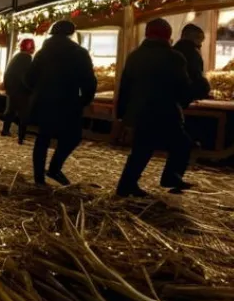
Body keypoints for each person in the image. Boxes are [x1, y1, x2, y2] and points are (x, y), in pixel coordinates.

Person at [116, 18, 195, 197]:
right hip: (165, 111)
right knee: (182, 145)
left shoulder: (135, 56)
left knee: (142, 149)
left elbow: (125, 86)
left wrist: (123, 114)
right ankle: (171, 177)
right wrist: (192, 95)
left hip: (139, 111)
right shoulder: (174, 57)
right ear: (167, 36)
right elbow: (182, 86)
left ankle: (126, 185)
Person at [24, 20, 97, 186]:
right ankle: (54, 168)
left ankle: (39, 178)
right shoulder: (78, 52)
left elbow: (28, 78)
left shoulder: (42, 53)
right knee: (72, 137)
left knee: (43, 138)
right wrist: (84, 99)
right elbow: (89, 80)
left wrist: (37, 92)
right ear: (71, 33)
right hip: (68, 101)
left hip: (44, 101)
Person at [1, 38, 36, 144]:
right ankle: (21, 137)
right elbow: (27, 76)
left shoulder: (16, 57)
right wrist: (31, 88)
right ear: (31, 48)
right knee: (23, 114)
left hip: (12, 89)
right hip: (21, 90)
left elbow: (7, 74)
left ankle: (5, 130)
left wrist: (7, 87)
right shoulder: (26, 58)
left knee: (10, 111)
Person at [173, 24, 211, 101]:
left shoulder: (172, 51)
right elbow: (196, 75)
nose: (200, 44)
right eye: (200, 40)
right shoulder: (193, 53)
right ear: (194, 38)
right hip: (186, 96)